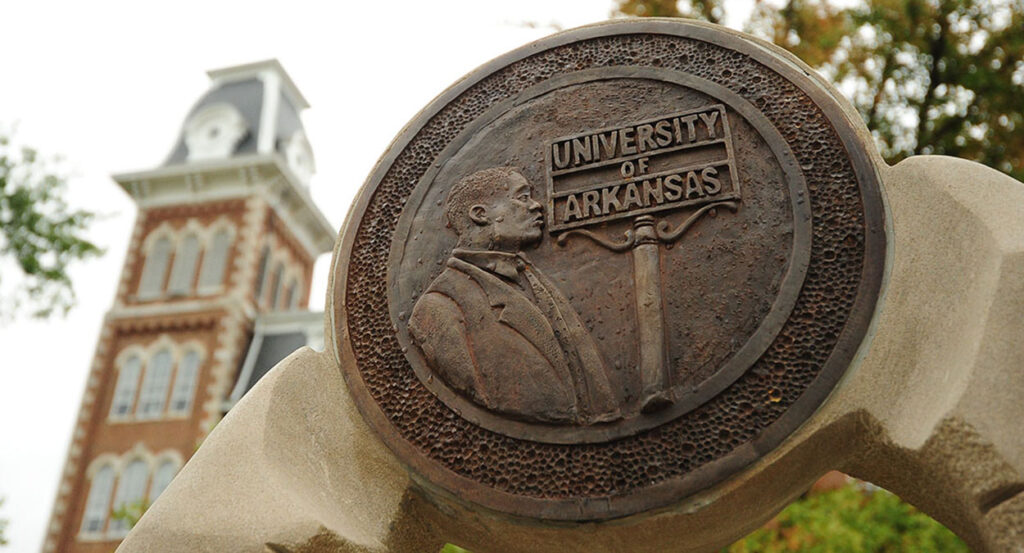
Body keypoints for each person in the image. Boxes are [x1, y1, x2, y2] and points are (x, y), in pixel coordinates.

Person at [409, 167, 620, 424]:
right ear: (480, 214)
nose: (536, 206)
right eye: (522, 198)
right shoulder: (440, 307)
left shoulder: (533, 278)